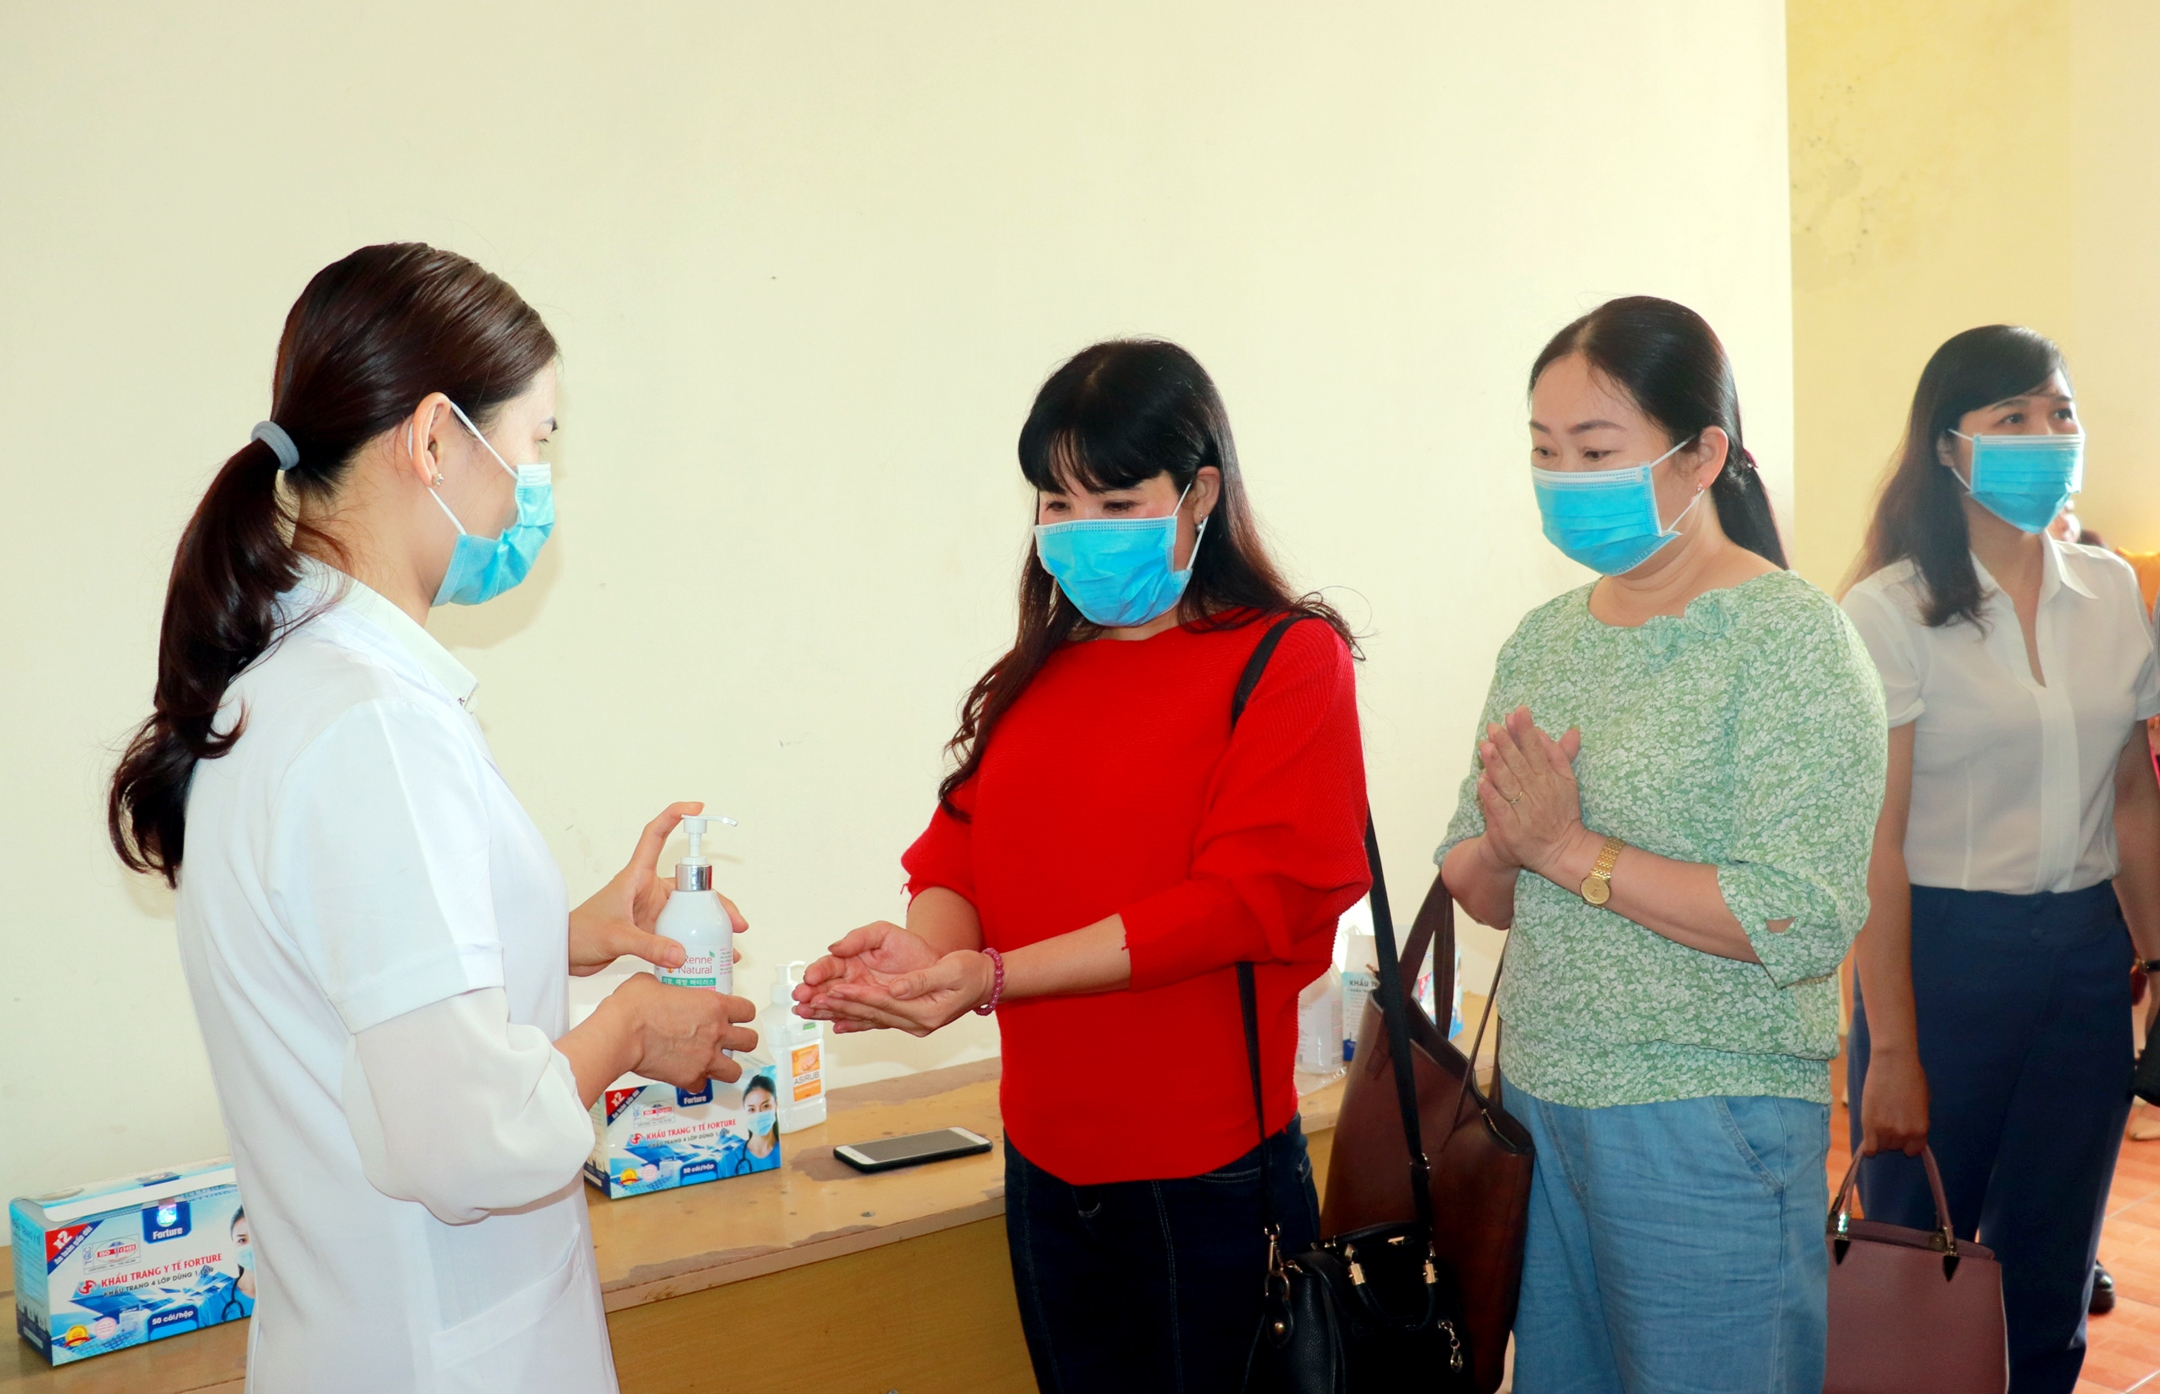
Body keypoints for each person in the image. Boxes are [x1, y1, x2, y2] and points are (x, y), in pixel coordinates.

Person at [106, 243, 759, 1393]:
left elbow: (356, 976)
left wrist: (557, 933)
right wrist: (628, 1029)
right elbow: (464, 1138)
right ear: (433, 440)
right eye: (535, 442)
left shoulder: (288, 687)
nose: (534, 485)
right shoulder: (373, 727)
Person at [792, 340, 1370, 1392]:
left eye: (1115, 502)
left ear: (1199, 495)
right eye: (1057, 503)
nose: (1080, 529)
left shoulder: (1287, 659)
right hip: (1048, 1165)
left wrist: (994, 976)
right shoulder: (1041, 671)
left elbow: (1237, 904)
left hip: (1205, 1175)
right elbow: (958, 854)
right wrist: (924, 959)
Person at [1436, 296, 1886, 1393]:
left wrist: (1569, 849)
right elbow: (1472, 876)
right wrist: (1510, 846)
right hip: (1541, 1102)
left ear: (1703, 457)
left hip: (1706, 1116)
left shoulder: (1792, 640)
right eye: (1545, 450)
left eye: (1596, 451)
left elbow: (1797, 915)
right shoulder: (1545, 640)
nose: (1564, 477)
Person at [1841, 325, 2160, 1393]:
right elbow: (1877, 846)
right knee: (1911, 1257)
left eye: (2060, 413)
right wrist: (1893, 1047)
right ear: (1948, 447)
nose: (2046, 436)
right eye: (2012, 417)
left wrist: (2159, 963)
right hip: (1942, 957)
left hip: (2083, 960)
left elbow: (2131, 798)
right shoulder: (1887, 610)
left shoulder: (2111, 593)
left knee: (2052, 1268)